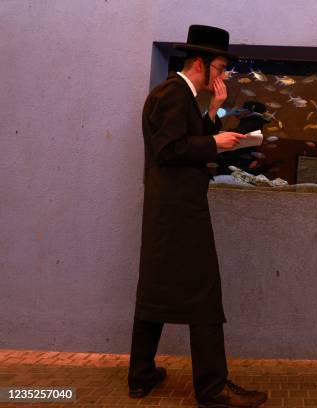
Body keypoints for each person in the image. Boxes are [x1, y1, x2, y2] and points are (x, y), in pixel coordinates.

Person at [128, 25, 267, 408]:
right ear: (200, 63)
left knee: (154, 290)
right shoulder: (172, 93)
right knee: (204, 294)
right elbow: (169, 148)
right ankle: (212, 390)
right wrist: (216, 141)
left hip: (168, 211)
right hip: (180, 212)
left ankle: (140, 377)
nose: (223, 76)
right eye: (220, 68)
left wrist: (213, 113)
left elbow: (180, 141)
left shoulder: (182, 97)